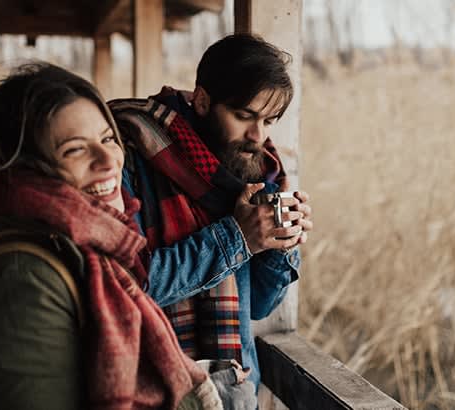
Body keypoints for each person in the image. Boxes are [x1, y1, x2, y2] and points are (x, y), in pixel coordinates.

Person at [0, 62, 243, 409]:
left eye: (108, 138)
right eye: (74, 149)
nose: (108, 161)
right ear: (25, 171)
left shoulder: (96, 253)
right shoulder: (23, 281)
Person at [110, 33, 313, 390]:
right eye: (243, 115)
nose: (258, 135)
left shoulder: (258, 171)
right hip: (152, 388)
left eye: (269, 121)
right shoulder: (129, 155)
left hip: (233, 390)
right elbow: (128, 285)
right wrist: (239, 237)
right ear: (202, 101)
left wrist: (281, 243)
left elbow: (259, 306)